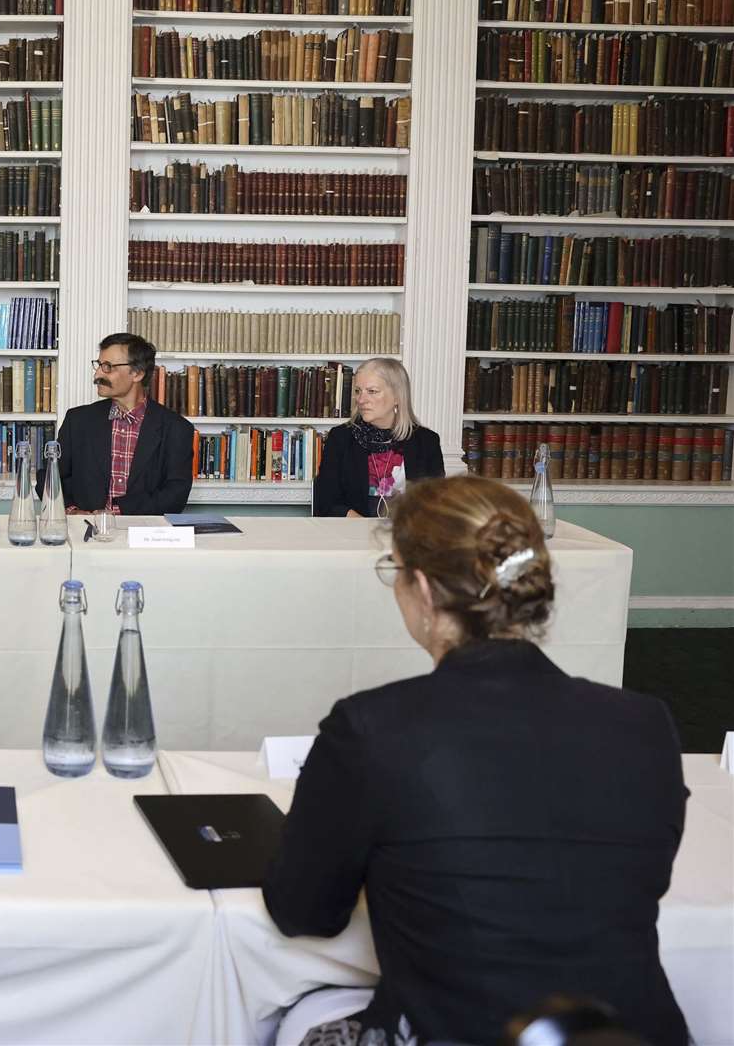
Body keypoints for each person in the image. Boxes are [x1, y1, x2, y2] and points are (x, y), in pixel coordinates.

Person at [263, 475, 689, 1046]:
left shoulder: (372, 728)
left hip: (458, 1030)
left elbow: (304, 912)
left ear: (425, 589)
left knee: (289, 1019)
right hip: (636, 1033)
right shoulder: (646, 723)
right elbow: (635, 881)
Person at [52, 331, 192, 514]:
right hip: (84, 534)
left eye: (108, 367)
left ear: (137, 373)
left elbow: (175, 495)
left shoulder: (177, 428)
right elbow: (49, 478)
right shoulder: (77, 421)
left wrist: (117, 513)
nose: (98, 374)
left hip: (143, 534)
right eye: (99, 365)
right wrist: (72, 511)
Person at [312, 357, 444, 517]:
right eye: (358, 391)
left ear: (397, 396)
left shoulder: (426, 442)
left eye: (372, 391)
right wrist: (361, 526)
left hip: (406, 537)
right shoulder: (340, 438)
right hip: (352, 535)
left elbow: (436, 504)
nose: (361, 400)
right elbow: (325, 501)